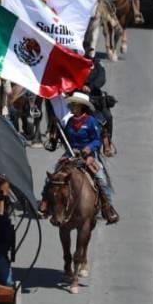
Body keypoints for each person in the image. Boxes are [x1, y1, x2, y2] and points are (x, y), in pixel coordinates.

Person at [52, 91, 119, 224]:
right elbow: (66, 139)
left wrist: (89, 148)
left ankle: (108, 208)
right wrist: (56, 129)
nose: (71, 108)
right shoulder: (70, 122)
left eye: (74, 105)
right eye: (71, 105)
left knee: (101, 178)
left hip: (88, 155)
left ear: (81, 107)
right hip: (71, 154)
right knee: (54, 174)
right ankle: (46, 203)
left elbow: (97, 140)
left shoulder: (91, 121)